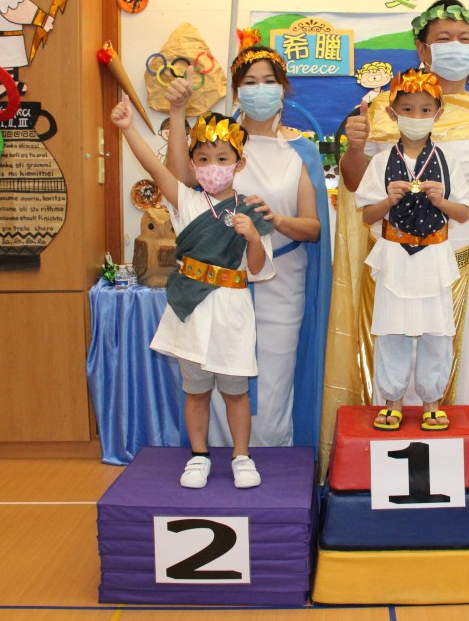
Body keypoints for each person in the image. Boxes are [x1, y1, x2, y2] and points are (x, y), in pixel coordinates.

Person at [323, 0, 469, 476]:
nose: (455, 47)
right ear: (422, 47)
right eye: (443, 38)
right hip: (393, 265)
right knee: (391, 353)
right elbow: (354, 183)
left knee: (448, 371)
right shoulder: (383, 111)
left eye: (464, 39)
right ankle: (384, 472)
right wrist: (353, 147)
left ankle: (454, 481)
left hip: (456, 269)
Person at [165, 45, 331, 450]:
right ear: (237, 91)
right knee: (215, 371)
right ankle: (220, 455)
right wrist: (177, 111)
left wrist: (275, 220)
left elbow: (312, 227)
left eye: (268, 81)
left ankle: (272, 460)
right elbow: (180, 181)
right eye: (250, 82)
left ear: (283, 87)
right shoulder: (220, 144)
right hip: (217, 284)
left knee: (273, 378)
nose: (260, 90)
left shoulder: (301, 152)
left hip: (280, 282)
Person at [111, 100, 275, 489]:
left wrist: (253, 236)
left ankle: (241, 456)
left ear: (239, 163)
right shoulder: (186, 199)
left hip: (232, 311)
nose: (212, 166)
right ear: (192, 163)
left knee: (236, 393)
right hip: (193, 309)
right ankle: (199, 456)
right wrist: (129, 127)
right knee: (196, 391)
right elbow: (155, 167)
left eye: (222, 158)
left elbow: (257, 269)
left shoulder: (250, 209)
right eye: (202, 158)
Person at [354, 70, 469, 432]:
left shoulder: (448, 161)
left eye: (424, 110)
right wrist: (386, 201)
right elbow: (366, 215)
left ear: (437, 113)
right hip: (395, 255)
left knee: (437, 333)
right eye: (407, 109)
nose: (416, 117)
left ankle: (432, 402)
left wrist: (443, 201)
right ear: (392, 114)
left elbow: (463, 213)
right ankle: (392, 402)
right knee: (391, 331)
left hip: (434, 256)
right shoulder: (380, 162)